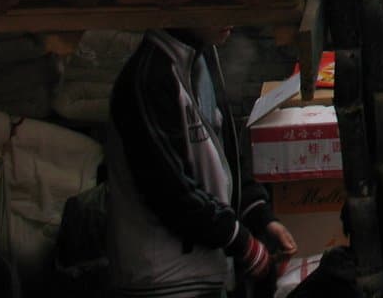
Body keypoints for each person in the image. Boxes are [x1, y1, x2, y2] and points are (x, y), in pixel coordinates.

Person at [108, 26, 296, 297]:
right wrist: (242, 242)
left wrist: (260, 215)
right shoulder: (149, 78)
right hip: (164, 281)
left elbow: (220, 158)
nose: (232, 15)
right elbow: (170, 192)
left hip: (204, 271)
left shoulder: (201, 59)